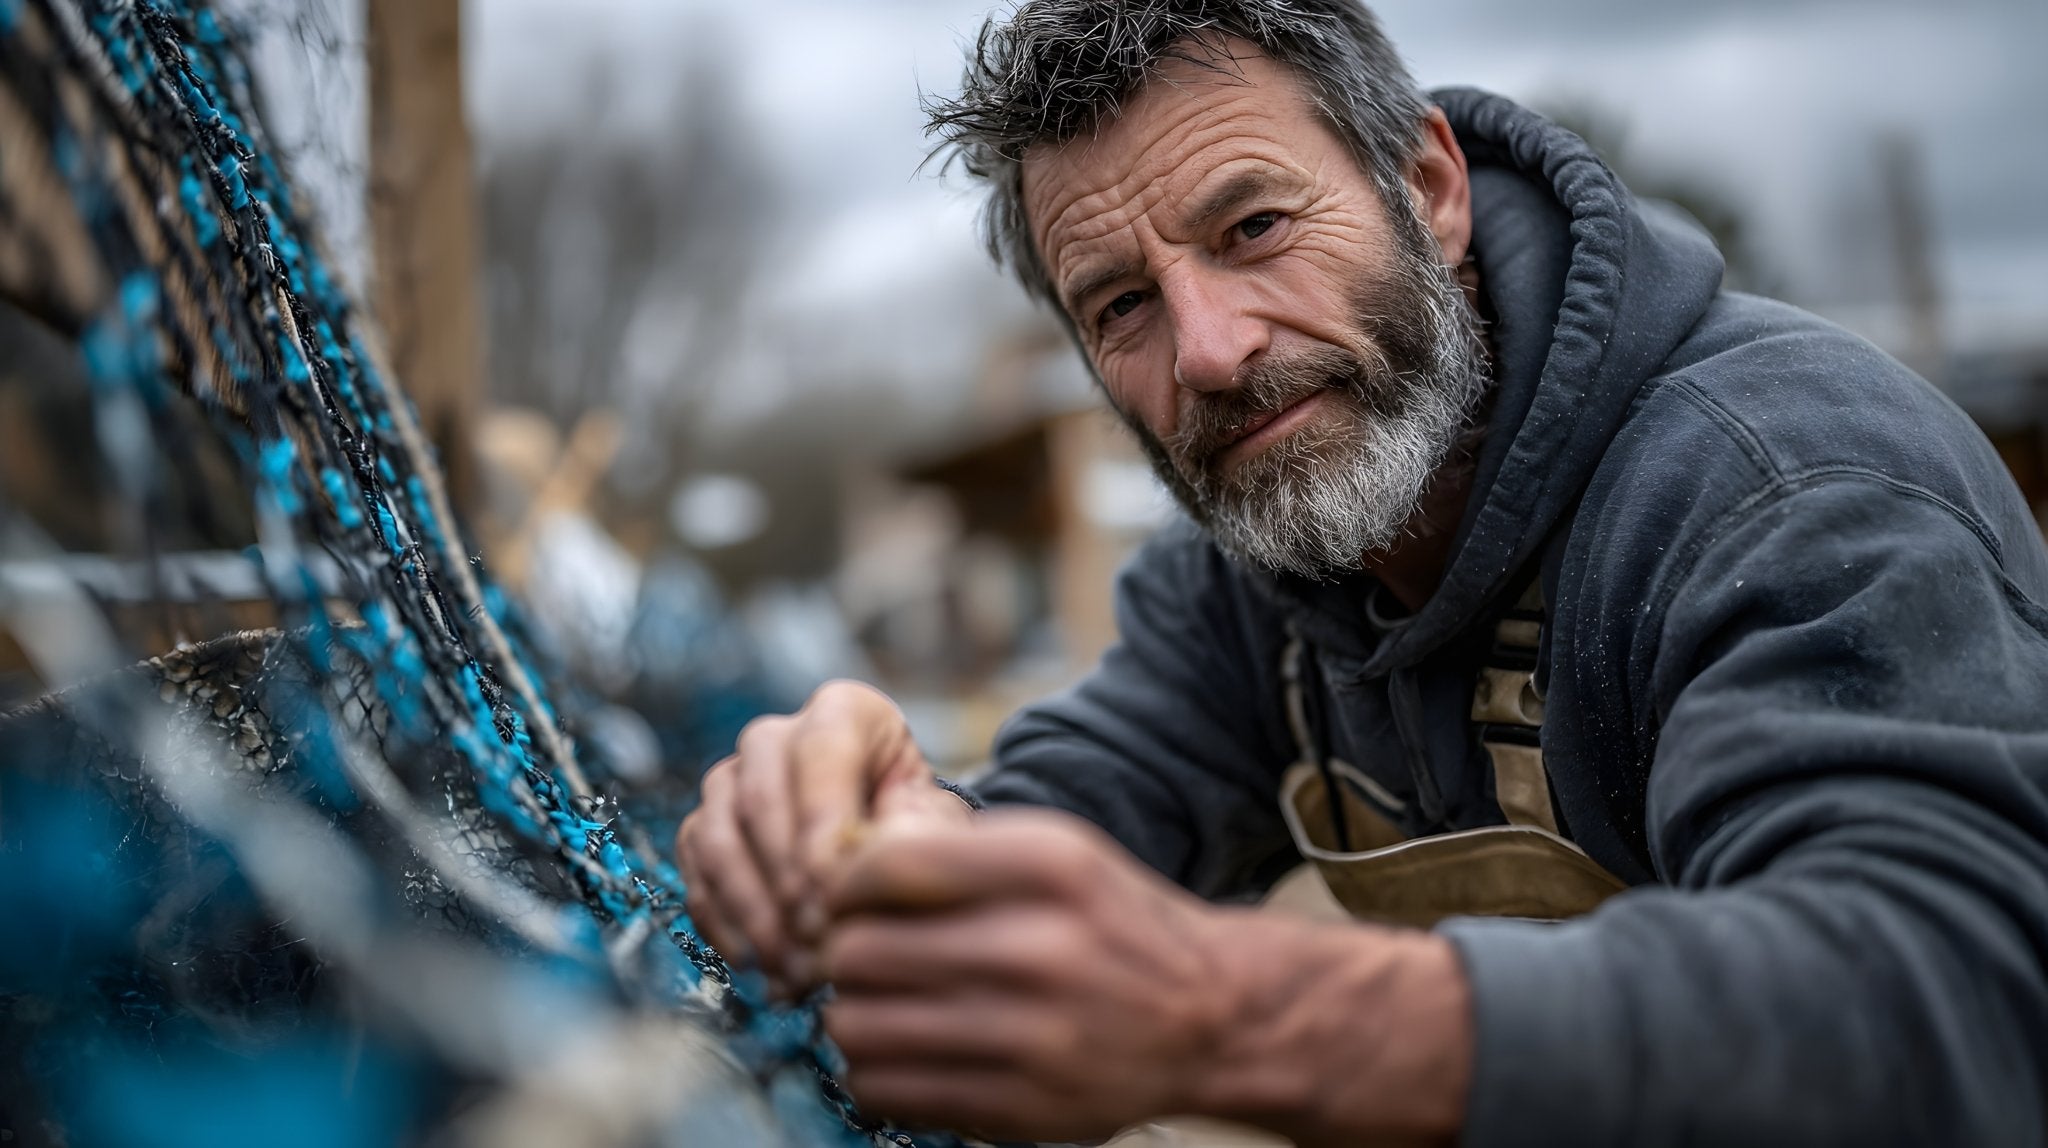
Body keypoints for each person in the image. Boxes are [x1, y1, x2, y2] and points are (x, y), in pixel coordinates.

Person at [674, 2, 2048, 1143]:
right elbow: (1084, 814)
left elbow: (1951, 1007)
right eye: (1123, 306)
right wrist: (885, 853)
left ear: (1429, 189)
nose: (1209, 350)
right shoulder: (1265, 568)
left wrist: (1236, 1016)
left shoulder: (1786, 483)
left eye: (1254, 227)